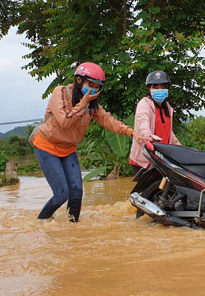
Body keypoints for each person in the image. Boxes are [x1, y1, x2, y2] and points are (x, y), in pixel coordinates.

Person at [33, 62, 152, 222]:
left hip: (68, 149)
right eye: (91, 84)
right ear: (79, 80)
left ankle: (72, 226)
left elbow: (108, 120)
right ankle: (41, 223)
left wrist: (132, 133)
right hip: (46, 147)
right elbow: (64, 121)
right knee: (61, 195)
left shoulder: (92, 106)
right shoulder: (61, 93)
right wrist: (83, 103)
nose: (93, 89)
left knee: (76, 192)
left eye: (97, 86)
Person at [129, 70, 181, 175]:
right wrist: (148, 136)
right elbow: (143, 122)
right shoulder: (144, 104)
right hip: (144, 160)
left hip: (161, 159)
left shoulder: (168, 108)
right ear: (149, 89)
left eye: (163, 87)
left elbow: (169, 133)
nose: (160, 90)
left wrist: (181, 148)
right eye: (156, 88)